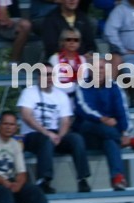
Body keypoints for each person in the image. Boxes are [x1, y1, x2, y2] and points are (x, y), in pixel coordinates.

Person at [0, 111, 67, 203]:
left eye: (12, 124)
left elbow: (22, 172)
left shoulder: (15, 144)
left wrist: (18, 184)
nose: (8, 127)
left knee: (35, 191)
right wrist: (4, 182)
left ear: (16, 127)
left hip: (9, 182)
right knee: (4, 193)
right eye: (5, 124)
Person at [75, 57, 134, 191]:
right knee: (90, 124)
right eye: (95, 68)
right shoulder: (82, 86)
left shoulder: (114, 87)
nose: (99, 71)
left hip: (108, 134)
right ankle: (129, 141)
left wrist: (125, 132)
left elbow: (122, 111)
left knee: (109, 141)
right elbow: (83, 109)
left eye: (101, 68)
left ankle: (117, 178)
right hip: (88, 134)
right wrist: (102, 119)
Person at [18, 63, 92, 194]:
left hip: (54, 134)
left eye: (51, 74)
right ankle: (44, 181)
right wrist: (47, 133)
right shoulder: (28, 92)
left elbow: (66, 121)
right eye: (46, 75)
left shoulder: (61, 95)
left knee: (76, 138)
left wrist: (60, 136)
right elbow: (26, 117)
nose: (49, 78)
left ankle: (82, 179)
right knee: (46, 140)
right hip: (32, 135)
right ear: (39, 76)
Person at [49, 28, 89, 102]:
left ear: (79, 43)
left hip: (79, 99)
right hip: (59, 99)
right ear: (62, 42)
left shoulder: (82, 59)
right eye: (68, 39)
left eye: (76, 40)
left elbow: (84, 82)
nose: (72, 42)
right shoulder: (54, 59)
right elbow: (52, 83)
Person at [0, 0, 32, 65]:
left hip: (7, 22)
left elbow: (7, 16)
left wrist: (5, 18)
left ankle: (14, 63)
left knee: (25, 25)